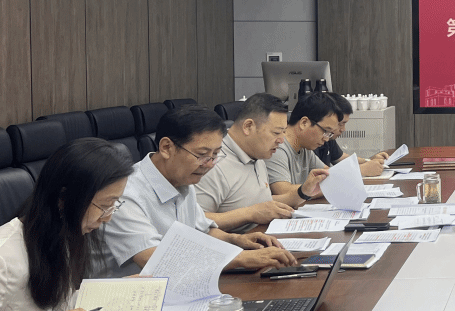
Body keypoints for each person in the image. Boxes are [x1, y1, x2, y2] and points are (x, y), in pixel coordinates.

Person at [95, 105, 298, 277]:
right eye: (202, 155)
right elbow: (155, 259)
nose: (209, 164)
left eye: (215, 155)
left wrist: (237, 240)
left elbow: (203, 231)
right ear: (166, 147)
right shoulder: (125, 194)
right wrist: (240, 258)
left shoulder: (183, 179)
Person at [1, 139, 131, 311]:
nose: (108, 218)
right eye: (105, 206)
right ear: (63, 199)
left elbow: (59, 308)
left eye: (114, 204)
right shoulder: (5, 254)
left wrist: (117, 291)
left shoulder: (63, 237)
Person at [196, 93, 324, 229]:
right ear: (248, 126)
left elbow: (260, 203)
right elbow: (194, 220)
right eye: (276, 133)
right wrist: (249, 214)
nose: (281, 140)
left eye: (283, 132)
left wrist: (303, 192)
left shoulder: (257, 153)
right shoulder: (214, 163)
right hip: (239, 240)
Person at [267, 93, 384, 203]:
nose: (327, 139)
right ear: (304, 123)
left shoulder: (304, 148)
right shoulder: (277, 148)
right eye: (326, 131)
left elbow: (329, 174)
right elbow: (285, 192)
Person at [314, 97, 391, 171]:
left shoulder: (328, 138)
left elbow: (342, 158)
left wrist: (369, 161)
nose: (343, 129)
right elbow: (325, 174)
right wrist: (362, 170)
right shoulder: (312, 144)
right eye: (340, 124)